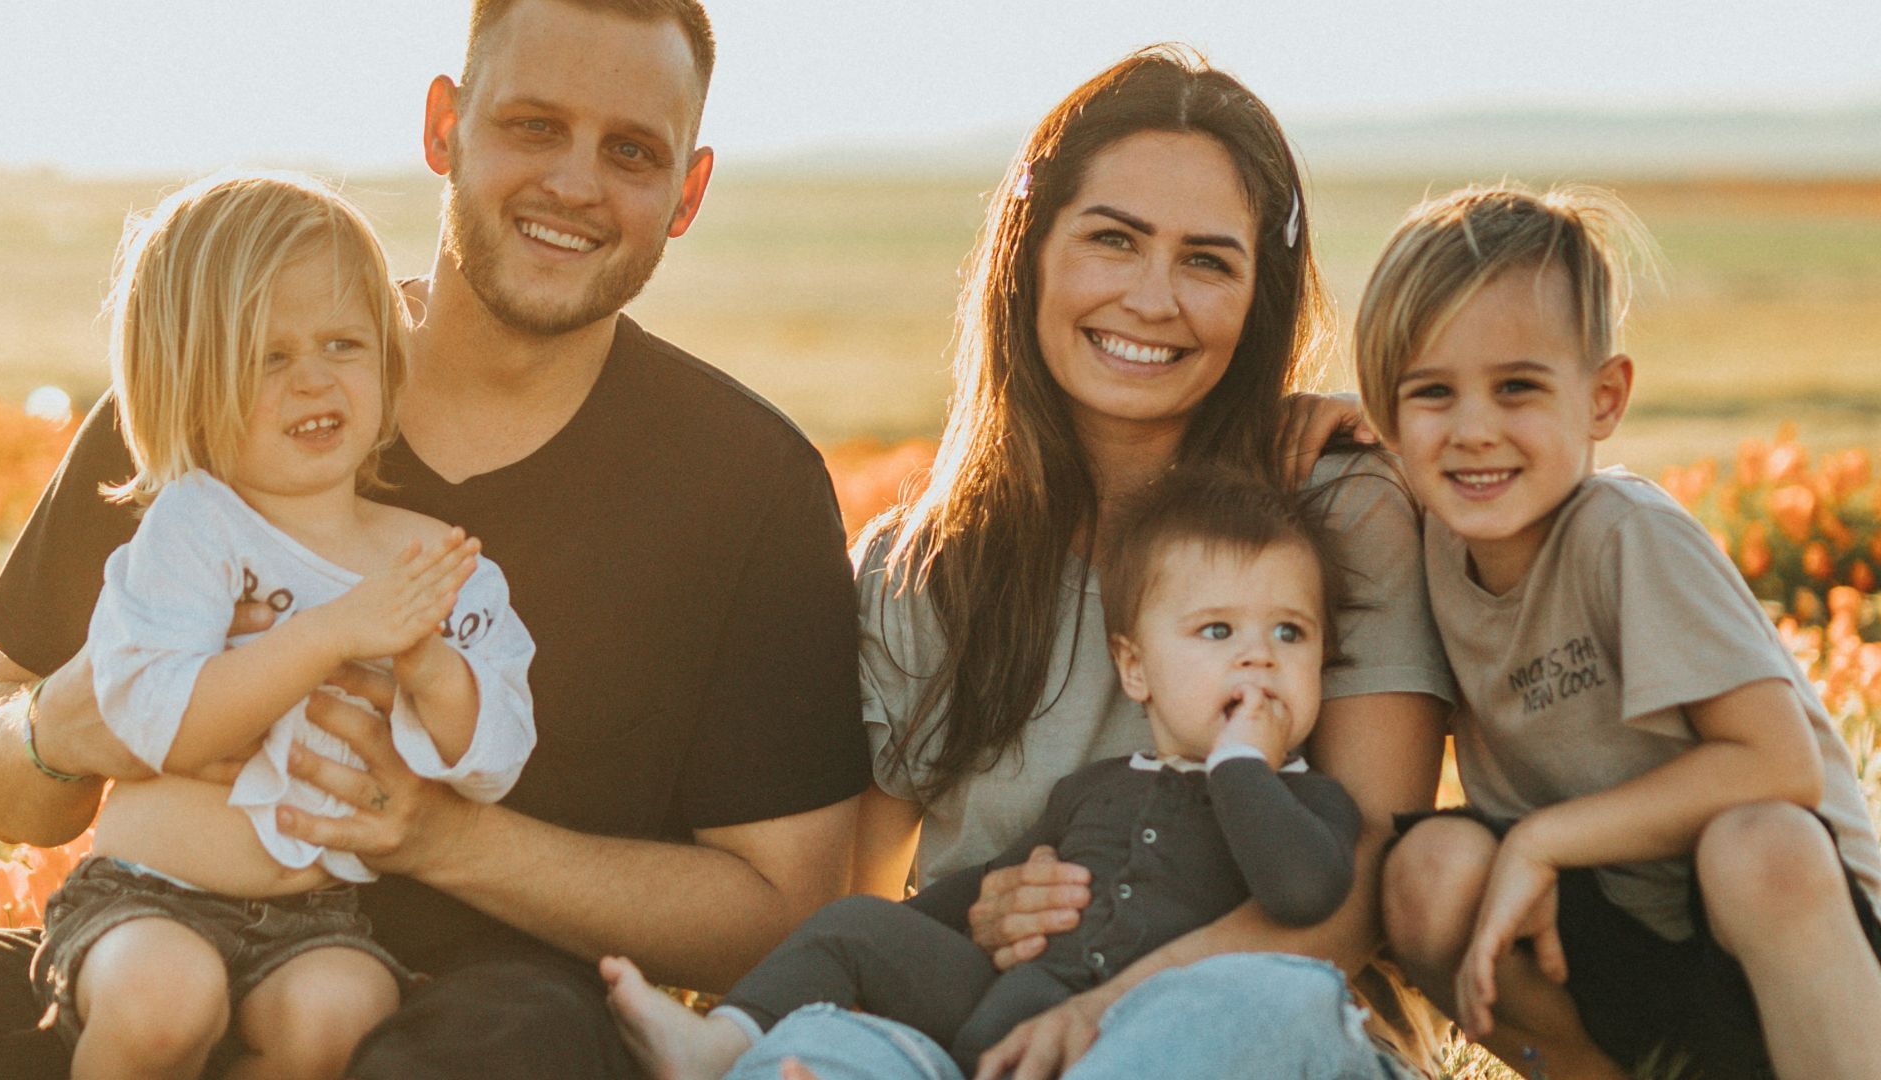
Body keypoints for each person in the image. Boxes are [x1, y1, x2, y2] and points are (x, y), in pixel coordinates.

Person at [0, 2, 868, 1077]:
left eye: (631, 151)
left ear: (689, 191)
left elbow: (786, 909)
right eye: (532, 125)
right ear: (444, 125)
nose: (574, 184)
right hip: (157, 953)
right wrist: (72, 725)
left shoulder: (746, 485)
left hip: (495, 1018)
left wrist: (443, 837)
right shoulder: (218, 394)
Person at [730, 46, 1455, 1080]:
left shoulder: (1337, 515)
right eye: (1113, 241)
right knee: (806, 1056)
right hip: (989, 1035)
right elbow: (862, 897)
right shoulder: (914, 568)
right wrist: (980, 916)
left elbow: (1356, 895)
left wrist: (1102, 1015)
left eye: (1208, 260)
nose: (1153, 299)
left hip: (1254, 1031)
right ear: (1030, 251)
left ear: (1261, 297)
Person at [1363, 185, 1881, 1080]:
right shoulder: (1430, 540)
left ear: (1604, 399)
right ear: (1389, 416)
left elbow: (1778, 767)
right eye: (1433, 393)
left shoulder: (1626, 535)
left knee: (1756, 845)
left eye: (1518, 387)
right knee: (1430, 868)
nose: (1474, 429)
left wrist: (1541, 839)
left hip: (1799, 937)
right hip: (1625, 937)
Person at [602, 474, 1362, 1078]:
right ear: (1135, 667)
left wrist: (1239, 764)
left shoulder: (1309, 802)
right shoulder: (1094, 789)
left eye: (1290, 632)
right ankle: (724, 1044)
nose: (1259, 656)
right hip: (1002, 1007)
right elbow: (986, 886)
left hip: (1150, 1037)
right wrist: (914, 937)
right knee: (854, 926)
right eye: (1218, 630)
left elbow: (1302, 891)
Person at [34, 172, 539, 1079]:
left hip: (315, 920)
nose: (313, 378)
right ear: (185, 386)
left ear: (388, 363)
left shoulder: (430, 556)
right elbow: (162, 722)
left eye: (342, 343)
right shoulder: (194, 527)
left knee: (342, 1018)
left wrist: (427, 665)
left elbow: (495, 753)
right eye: (267, 358)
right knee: (163, 1002)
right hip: (148, 897)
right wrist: (328, 634)